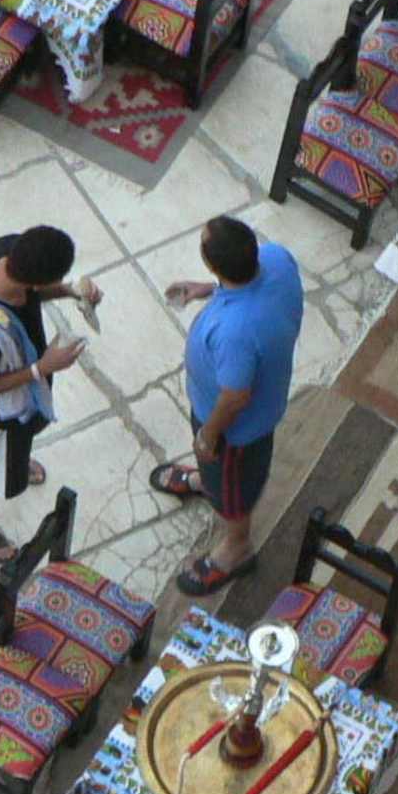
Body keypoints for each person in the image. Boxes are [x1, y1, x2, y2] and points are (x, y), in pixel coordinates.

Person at [150, 215, 304, 594]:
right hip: (230, 412)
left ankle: (236, 548)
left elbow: (235, 397)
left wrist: (209, 434)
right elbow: (249, 284)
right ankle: (208, 481)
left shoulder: (237, 332)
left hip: (235, 433)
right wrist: (207, 290)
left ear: (212, 263)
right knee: (216, 472)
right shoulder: (276, 259)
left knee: (233, 489)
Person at [0, 227, 101, 562]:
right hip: (1, 416)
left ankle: (16, 461)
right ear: (36, 282)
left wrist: (69, 290)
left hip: (25, 396)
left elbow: (34, 293)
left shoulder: (7, 250)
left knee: (17, 448)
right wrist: (40, 368)